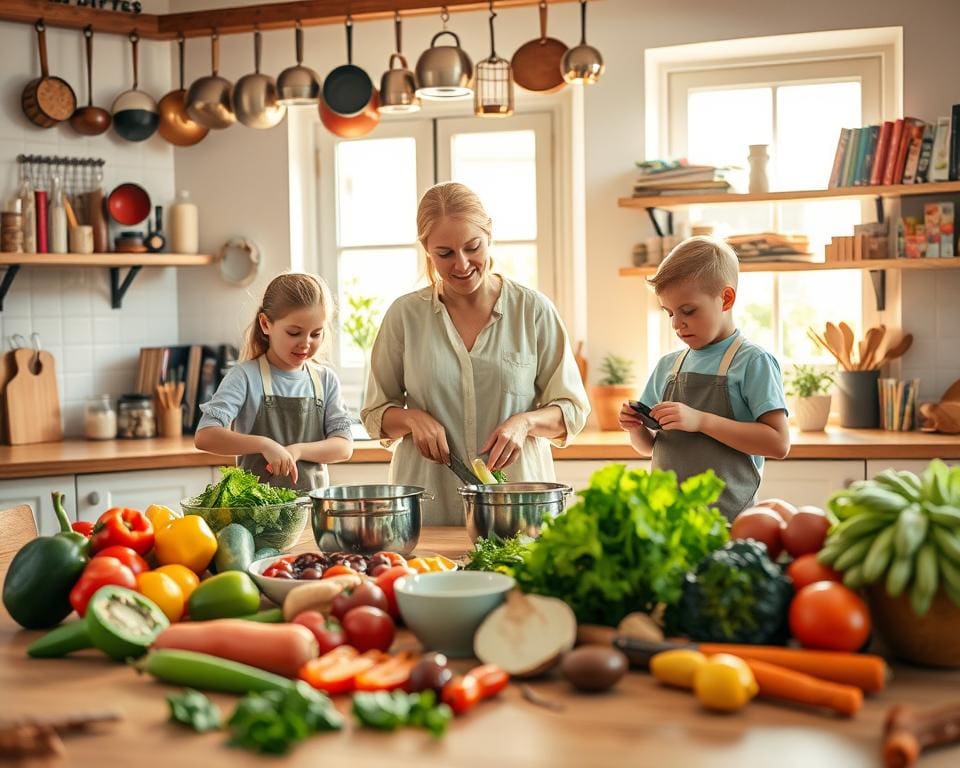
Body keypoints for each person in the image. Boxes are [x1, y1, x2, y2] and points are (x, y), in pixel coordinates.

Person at [361, 182, 590, 525]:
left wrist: (525, 423)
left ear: (489, 235)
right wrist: (411, 418)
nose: (462, 264)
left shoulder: (533, 310)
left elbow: (572, 410)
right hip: (430, 504)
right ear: (426, 249)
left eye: (472, 247)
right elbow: (374, 413)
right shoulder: (404, 316)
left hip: (517, 504)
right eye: (445, 253)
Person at [619, 236, 790, 520]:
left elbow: (778, 443)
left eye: (688, 311)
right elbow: (650, 447)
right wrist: (635, 427)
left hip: (730, 522)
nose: (676, 323)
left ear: (726, 298)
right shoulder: (668, 366)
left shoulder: (753, 361)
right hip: (668, 521)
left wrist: (701, 421)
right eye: (669, 313)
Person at [195, 272, 353, 490]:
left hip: (311, 515)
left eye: (316, 334)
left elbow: (344, 446)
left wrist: (297, 450)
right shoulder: (245, 377)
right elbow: (205, 436)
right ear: (265, 324)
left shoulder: (325, 380)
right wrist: (264, 444)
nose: (306, 343)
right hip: (255, 518)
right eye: (294, 332)